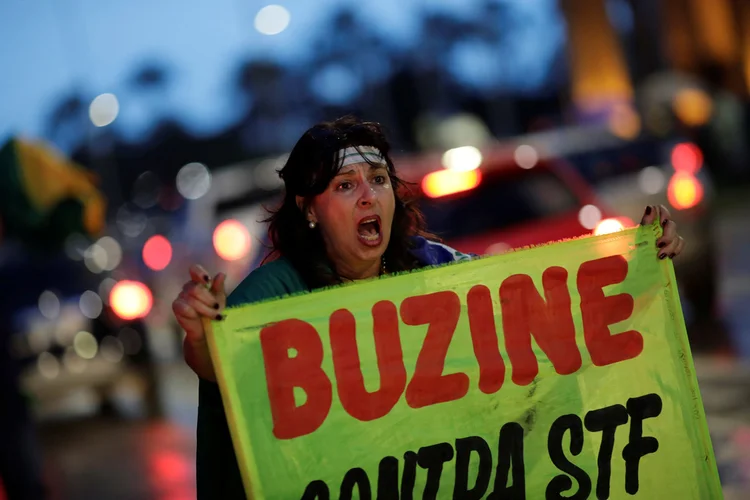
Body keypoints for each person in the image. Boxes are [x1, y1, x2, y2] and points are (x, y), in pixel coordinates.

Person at [172, 116, 685, 499]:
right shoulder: (275, 292)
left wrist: (642, 262)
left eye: (377, 180)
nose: (368, 197)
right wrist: (201, 334)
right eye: (345, 186)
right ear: (309, 209)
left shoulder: (437, 267)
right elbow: (222, 370)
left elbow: (544, 317)